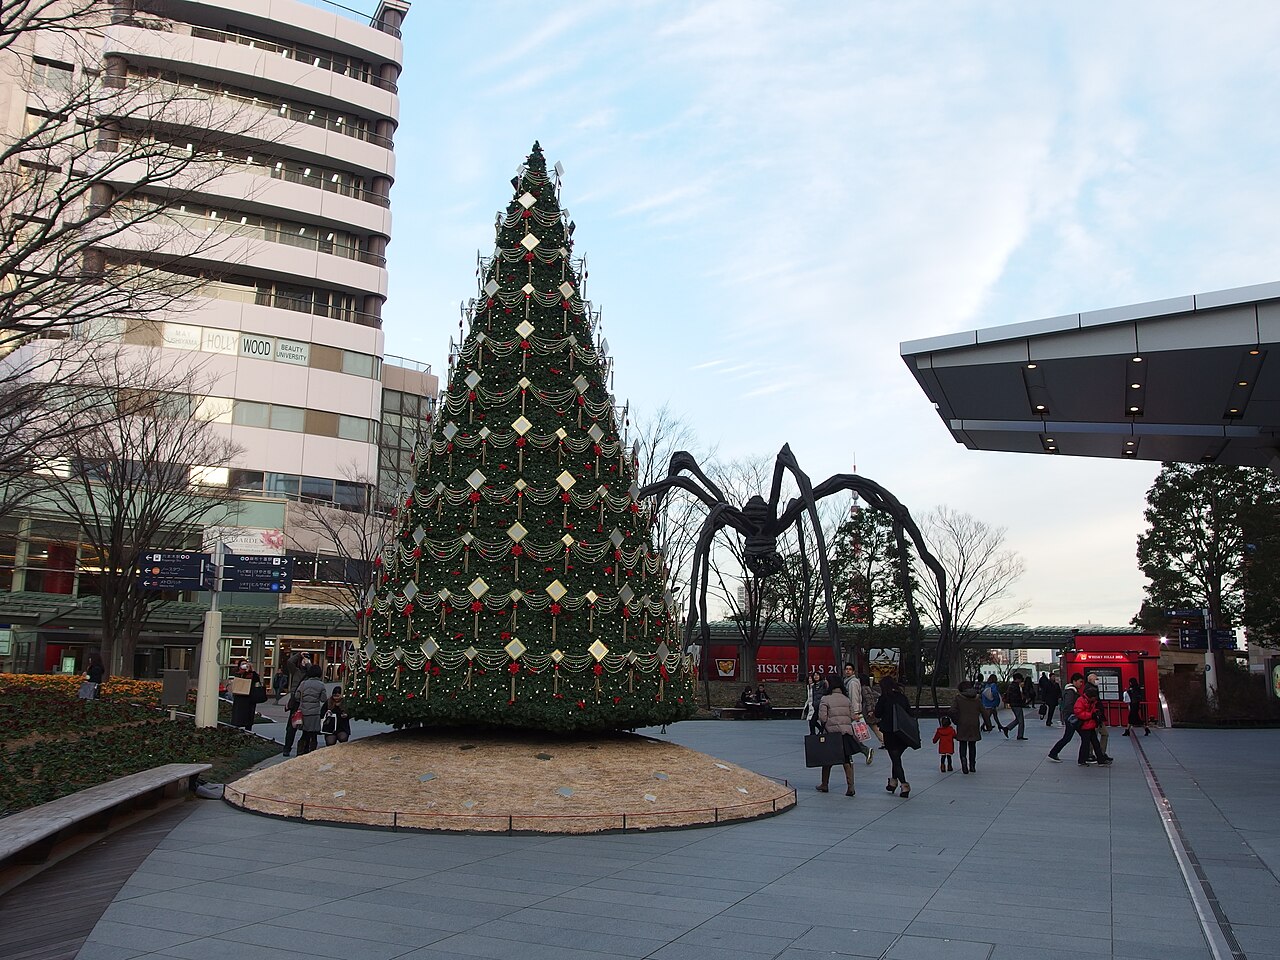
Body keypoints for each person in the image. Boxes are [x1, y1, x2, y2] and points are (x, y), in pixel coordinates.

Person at [816, 675, 856, 796]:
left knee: (827, 760)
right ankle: (850, 787)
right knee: (846, 760)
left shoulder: (825, 699)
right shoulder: (846, 699)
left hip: (831, 734)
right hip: (846, 733)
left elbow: (822, 718)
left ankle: (824, 784)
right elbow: (852, 716)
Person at [875, 676, 914, 798]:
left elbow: (878, 713)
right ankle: (893, 782)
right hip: (903, 733)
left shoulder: (884, 698)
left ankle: (904, 784)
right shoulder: (902, 697)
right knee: (896, 758)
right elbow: (909, 713)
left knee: (895, 758)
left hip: (890, 732)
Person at [1047, 673, 1085, 762]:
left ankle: (1054, 752)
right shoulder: (1071, 692)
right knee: (1069, 737)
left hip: (1071, 717)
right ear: (1074, 681)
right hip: (1072, 718)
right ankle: (1053, 753)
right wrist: (1073, 714)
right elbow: (1069, 705)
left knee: (1079, 736)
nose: (1081, 684)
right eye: (1080, 682)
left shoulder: (1071, 691)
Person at [843, 663, 874, 765]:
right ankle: (851, 755)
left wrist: (855, 712)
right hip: (850, 712)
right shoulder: (848, 682)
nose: (847, 671)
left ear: (853, 672)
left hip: (851, 713)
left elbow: (854, 698)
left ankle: (862, 751)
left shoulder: (852, 683)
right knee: (849, 735)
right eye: (846, 669)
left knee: (848, 736)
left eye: (850, 669)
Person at [1074, 682, 1111, 766]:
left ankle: (1100, 760)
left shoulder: (1091, 701)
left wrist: (1096, 712)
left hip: (1090, 724)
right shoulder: (1081, 701)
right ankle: (1082, 760)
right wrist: (1091, 715)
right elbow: (1079, 713)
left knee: (1095, 743)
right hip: (1084, 725)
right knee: (1085, 743)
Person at [950, 680, 983, 774]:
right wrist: (988, 724)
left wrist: (956, 720)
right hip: (974, 724)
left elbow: (952, 711)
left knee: (963, 744)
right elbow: (984, 712)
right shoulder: (977, 698)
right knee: (972, 745)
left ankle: (964, 763)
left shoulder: (958, 698)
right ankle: (972, 765)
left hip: (962, 724)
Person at [296, 665, 327, 755]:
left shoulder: (303, 684)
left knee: (304, 734)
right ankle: (311, 752)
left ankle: (301, 751)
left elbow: (297, 697)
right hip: (315, 712)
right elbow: (323, 699)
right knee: (313, 734)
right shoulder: (321, 685)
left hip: (303, 712)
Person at [229, 660, 262, 730]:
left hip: (249, 697)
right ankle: (237, 726)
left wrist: (251, 669)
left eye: (245, 664)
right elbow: (239, 680)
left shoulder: (251, 674)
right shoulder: (238, 673)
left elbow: (257, 679)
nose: (244, 665)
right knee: (238, 714)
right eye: (243, 664)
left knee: (249, 715)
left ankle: (248, 728)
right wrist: (244, 672)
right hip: (240, 697)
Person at [1003, 673, 1027, 740]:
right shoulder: (1015, 686)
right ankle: (1019, 735)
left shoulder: (1012, 685)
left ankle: (1007, 728)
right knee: (1021, 721)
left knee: (1018, 719)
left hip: (1013, 704)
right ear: (1017, 679)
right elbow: (1017, 696)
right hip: (1016, 704)